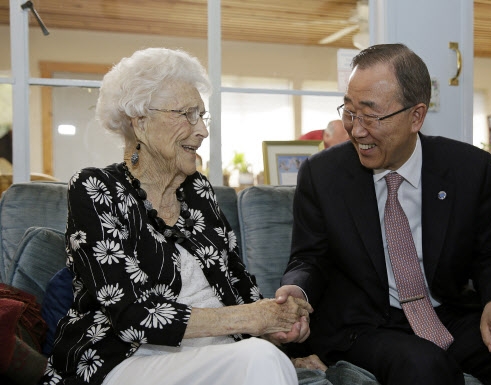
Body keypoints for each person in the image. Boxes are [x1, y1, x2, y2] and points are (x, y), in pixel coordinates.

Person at [276, 43, 491, 385]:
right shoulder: (322, 174)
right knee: (425, 367)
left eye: (371, 115)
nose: (357, 129)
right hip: (366, 325)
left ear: (416, 116)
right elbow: (308, 258)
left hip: (449, 314)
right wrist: (295, 293)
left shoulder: (470, 168)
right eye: (349, 111)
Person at [40, 47, 313, 385]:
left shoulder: (198, 191)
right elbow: (130, 315)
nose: (202, 131)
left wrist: (280, 323)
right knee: (259, 358)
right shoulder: (96, 188)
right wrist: (252, 319)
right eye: (187, 114)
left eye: (202, 116)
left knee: (264, 356)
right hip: (127, 360)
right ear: (139, 122)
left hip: (216, 356)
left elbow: (238, 285)